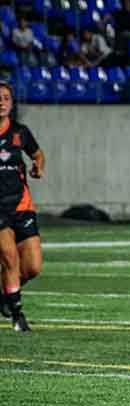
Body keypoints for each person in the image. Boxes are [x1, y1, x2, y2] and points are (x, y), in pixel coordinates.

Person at [0, 83, 45, 332]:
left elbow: (38, 155)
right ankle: (18, 315)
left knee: (32, 267)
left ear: (12, 103)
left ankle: (5, 293)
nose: (1, 101)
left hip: (22, 205)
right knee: (9, 258)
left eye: (6, 98)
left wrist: (39, 166)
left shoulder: (20, 133)